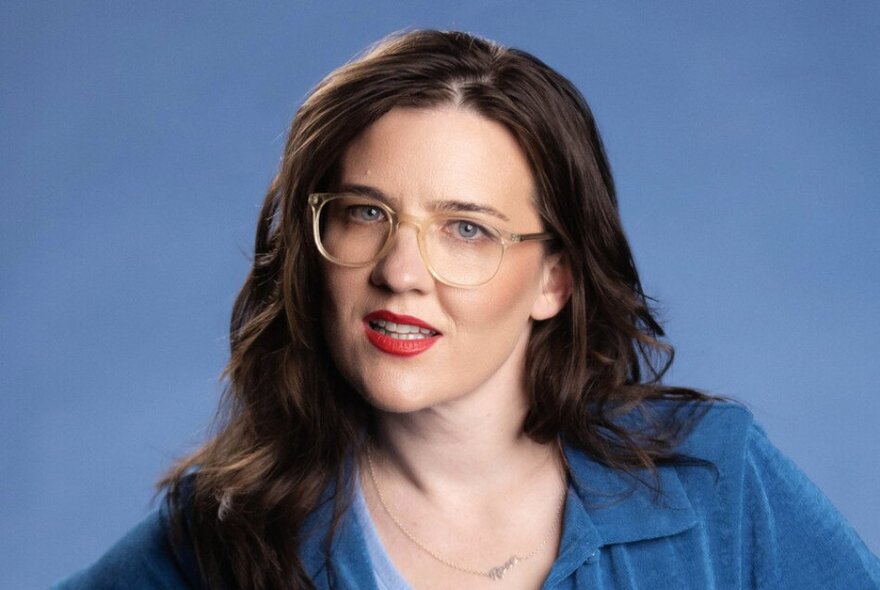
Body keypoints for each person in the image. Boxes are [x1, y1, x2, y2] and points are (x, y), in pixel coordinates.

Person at [54, 29, 878, 590]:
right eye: (365, 213)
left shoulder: (716, 483)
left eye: (466, 229)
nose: (402, 271)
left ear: (554, 280)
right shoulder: (232, 526)